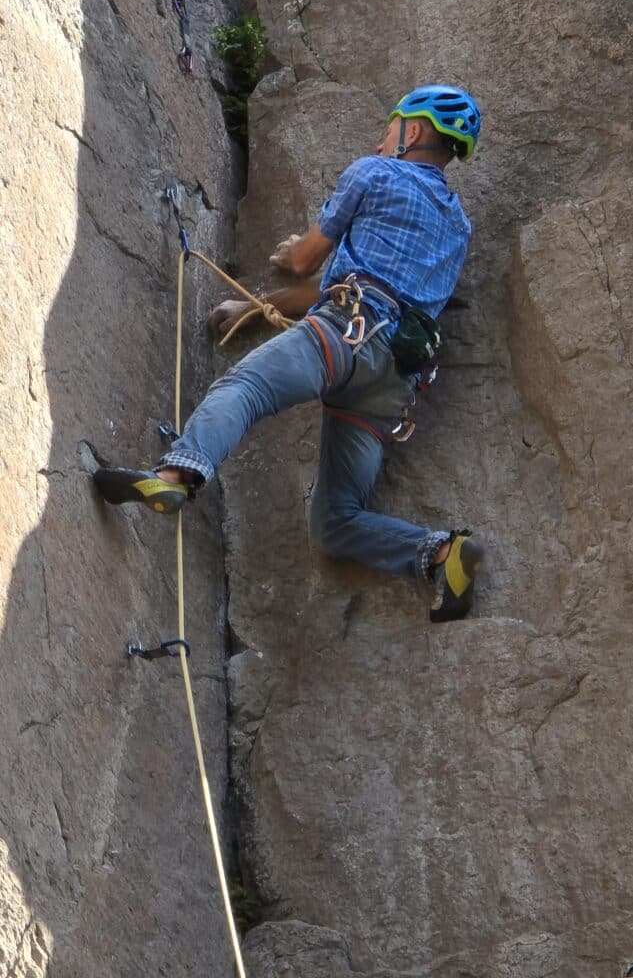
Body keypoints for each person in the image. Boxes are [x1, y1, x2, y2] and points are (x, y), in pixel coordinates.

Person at [94, 85, 485, 622]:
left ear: (412, 131)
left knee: (245, 388)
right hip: (391, 380)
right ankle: (444, 552)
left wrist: (288, 250)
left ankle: (176, 476)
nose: (383, 135)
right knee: (337, 522)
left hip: (345, 332)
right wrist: (256, 308)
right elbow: (344, 282)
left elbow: (305, 263)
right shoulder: (457, 227)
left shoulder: (374, 173)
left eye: (390, 125)